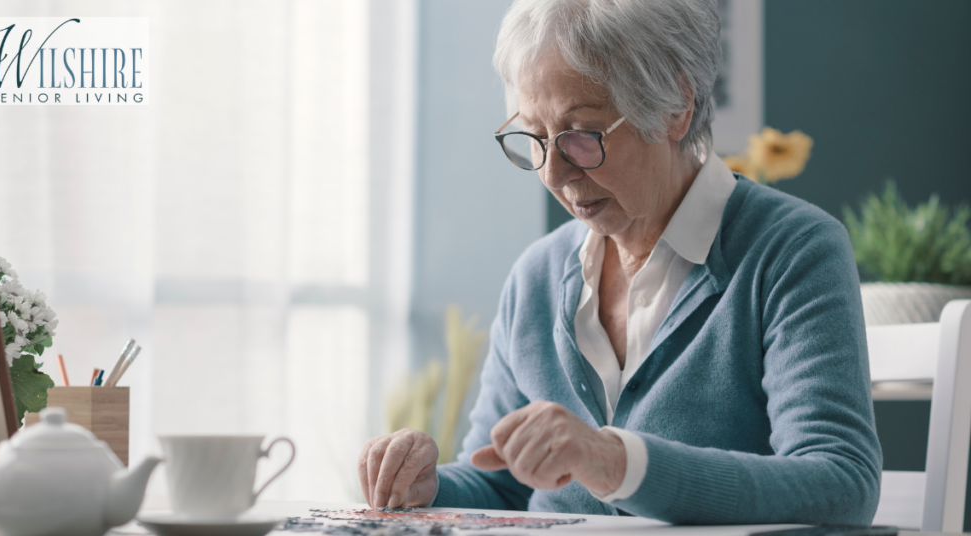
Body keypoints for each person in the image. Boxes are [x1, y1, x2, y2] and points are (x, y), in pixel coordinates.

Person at [358, 0, 881, 524]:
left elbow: (840, 482)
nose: (553, 175)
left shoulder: (792, 250)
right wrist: (429, 484)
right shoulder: (537, 275)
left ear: (676, 107)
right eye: (535, 138)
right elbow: (501, 484)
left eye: (581, 136)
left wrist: (614, 461)